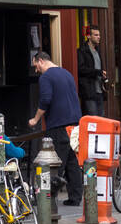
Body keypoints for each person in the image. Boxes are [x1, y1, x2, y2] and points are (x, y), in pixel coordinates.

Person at [28, 51, 83, 205]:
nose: (36, 70)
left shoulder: (46, 77)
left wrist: (35, 119)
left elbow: (45, 99)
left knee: (54, 162)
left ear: (40, 61)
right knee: (72, 161)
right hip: (75, 124)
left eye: (36, 66)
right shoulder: (67, 73)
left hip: (58, 124)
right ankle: (75, 198)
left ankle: (46, 198)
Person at [75, 24, 108, 117]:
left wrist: (102, 74)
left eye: (99, 35)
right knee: (93, 119)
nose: (99, 37)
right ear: (88, 36)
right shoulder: (82, 51)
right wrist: (98, 72)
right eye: (96, 35)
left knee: (101, 119)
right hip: (89, 91)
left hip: (100, 90)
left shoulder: (98, 51)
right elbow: (81, 69)